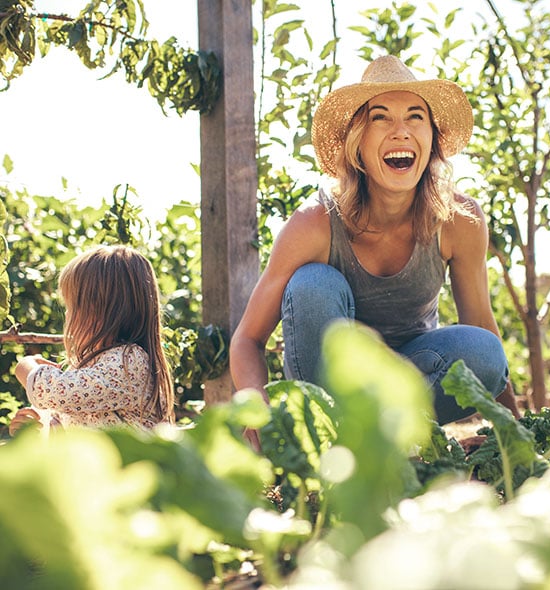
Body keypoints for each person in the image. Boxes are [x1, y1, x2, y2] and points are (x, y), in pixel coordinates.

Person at [230, 54, 520, 446]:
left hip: (415, 379)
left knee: (484, 351)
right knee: (313, 284)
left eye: (415, 116)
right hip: (329, 392)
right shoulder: (314, 224)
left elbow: (483, 326)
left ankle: (387, 442)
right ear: (357, 143)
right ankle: (333, 443)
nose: (400, 131)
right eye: (381, 117)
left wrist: (516, 431)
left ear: (432, 139)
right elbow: (247, 339)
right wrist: (255, 404)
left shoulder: (458, 219)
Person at [10, 245, 175, 434]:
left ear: (96, 310)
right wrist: (39, 429)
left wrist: (26, 366)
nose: (67, 314)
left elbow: (57, 391)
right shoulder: (91, 365)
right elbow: (70, 428)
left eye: (71, 306)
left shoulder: (129, 361)